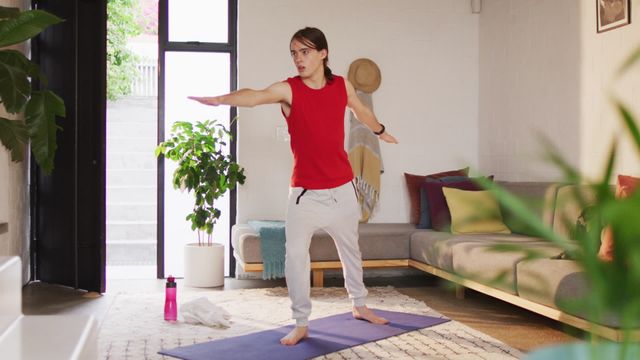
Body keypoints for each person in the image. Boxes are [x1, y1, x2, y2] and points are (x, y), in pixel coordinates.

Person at [189, 27, 398, 346]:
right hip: (304, 195)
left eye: (305, 52)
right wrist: (220, 100)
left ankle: (359, 305)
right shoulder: (289, 90)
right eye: (294, 53)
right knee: (296, 256)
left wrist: (380, 129)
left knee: (351, 251)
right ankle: (301, 322)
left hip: (342, 189)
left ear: (323, 53)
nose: (299, 59)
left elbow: (360, 110)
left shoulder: (342, 85)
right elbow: (255, 96)